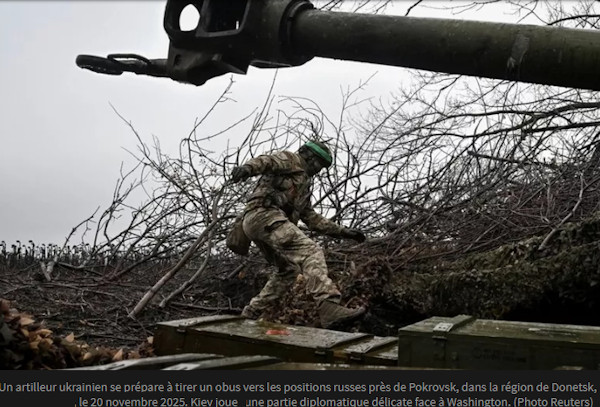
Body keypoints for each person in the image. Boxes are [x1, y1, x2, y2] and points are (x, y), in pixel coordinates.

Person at [230, 140, 366, 328]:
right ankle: (328, 306)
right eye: (318, 162)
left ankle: (251, 313)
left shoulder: (303, 185)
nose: (318, 169)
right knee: (310, 252)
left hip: (262, 223)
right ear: (307, 154)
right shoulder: (290, 159)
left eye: (322, 166)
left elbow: (310, 217)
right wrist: (247, 168)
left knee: (288, 270)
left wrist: (342, 232)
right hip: (264, 215)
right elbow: (267, 161)